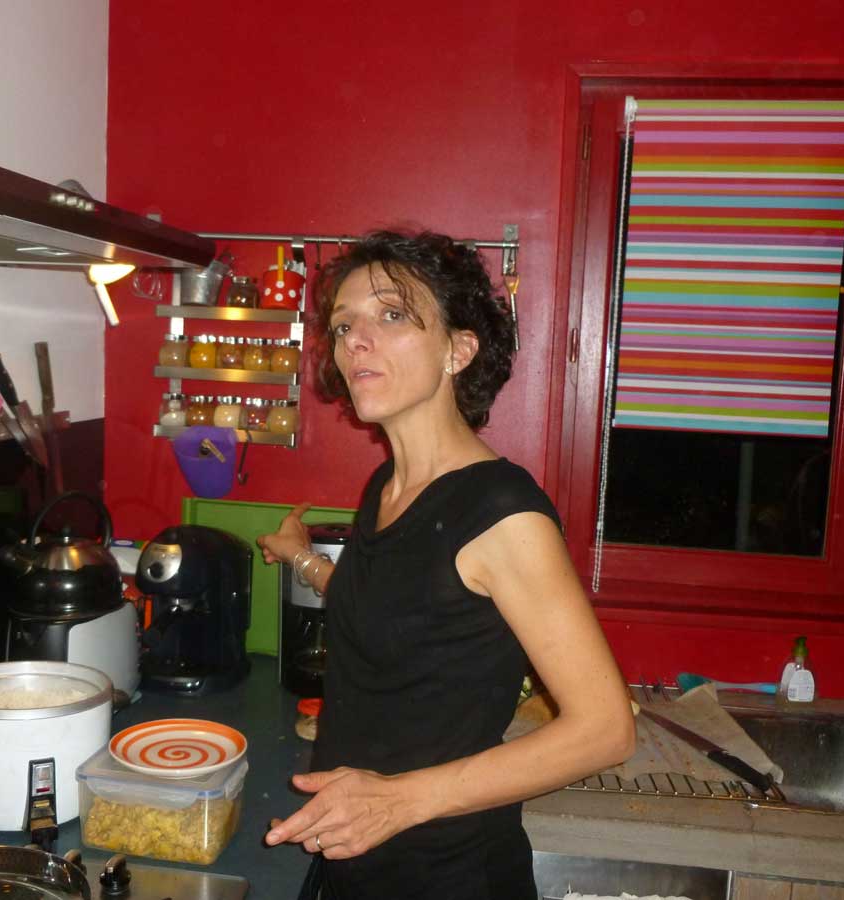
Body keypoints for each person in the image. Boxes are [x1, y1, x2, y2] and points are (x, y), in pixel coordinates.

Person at [258, 230, 635, 900]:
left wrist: (396, 801)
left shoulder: (501, 512)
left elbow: (606, 730)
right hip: (357, 861)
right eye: (343, 324)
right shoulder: (387, 488)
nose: (355, 340)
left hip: (446, 875)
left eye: (391, 315)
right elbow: (394, 607)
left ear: (458, 351)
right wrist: (304, 560)